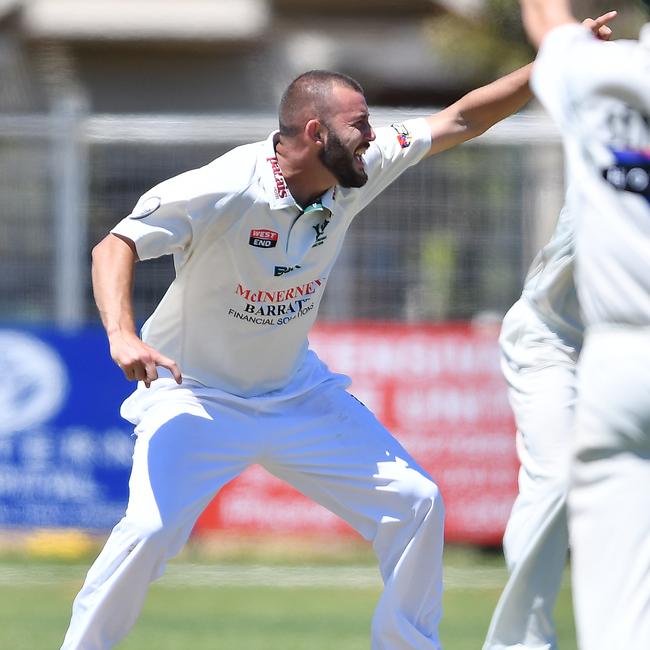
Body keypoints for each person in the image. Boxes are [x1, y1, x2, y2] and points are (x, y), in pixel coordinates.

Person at [60, 65, 534, 649]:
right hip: (197, 395)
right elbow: (116, 244)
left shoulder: (356, 169)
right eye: (359, 123)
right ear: (315, 133)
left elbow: (461, 117)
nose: (372, 133)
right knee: (150, 531)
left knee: (417, 502)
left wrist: (556, 61)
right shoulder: (228, 186)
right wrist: (122, 335)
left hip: (295, 394)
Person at [518, 2, 650, 649]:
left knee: (617, 612)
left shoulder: (604, 79)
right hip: (568, 344)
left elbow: (546, 21)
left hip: (619, 356)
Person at [483, 12, 616, 650]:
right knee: (557, 484)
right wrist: (570, 43)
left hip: (630, 354)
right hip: (553, 344)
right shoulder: (614, 103)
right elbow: (549, 29)